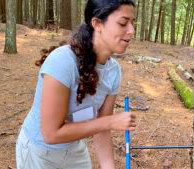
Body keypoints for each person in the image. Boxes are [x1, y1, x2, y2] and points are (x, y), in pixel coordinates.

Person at [15, 0, 136, 168]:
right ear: (97, 24)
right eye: (123, 23)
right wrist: (110, 122)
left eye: (133, 23)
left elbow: (101, 130)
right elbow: (50, 134)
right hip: (40, 152)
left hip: (75, 148)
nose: (132, 30)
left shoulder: (113, 71)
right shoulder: (63, 62)